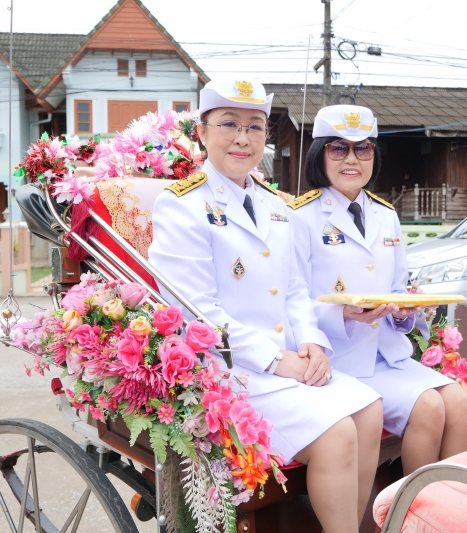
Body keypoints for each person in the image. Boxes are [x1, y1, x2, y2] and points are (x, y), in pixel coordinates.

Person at [148, 81, 383, 532]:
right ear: (202, 132)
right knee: (338, 433)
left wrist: (312, 343)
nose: (243, 138)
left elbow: (294, 288)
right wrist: (276, 360)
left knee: (369, 410)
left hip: (287, 361)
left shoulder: (275, 205)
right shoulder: (181, 205)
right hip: (230, 369)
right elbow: (197, 312)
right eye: (229, 124)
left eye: (255, 127)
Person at [290, 104, 467, 475]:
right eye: (338, 148)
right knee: (429, 406)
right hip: (339, 358)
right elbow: (291, 299)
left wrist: (405, 314)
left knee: (457, 401)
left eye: (363, 148)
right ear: (319, 155)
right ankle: (409, 507)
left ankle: (461, 504)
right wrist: (343, 313)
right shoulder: (300, 216)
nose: (352, 159)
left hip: (388, 355)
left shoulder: (386, 215)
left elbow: (396, 289)